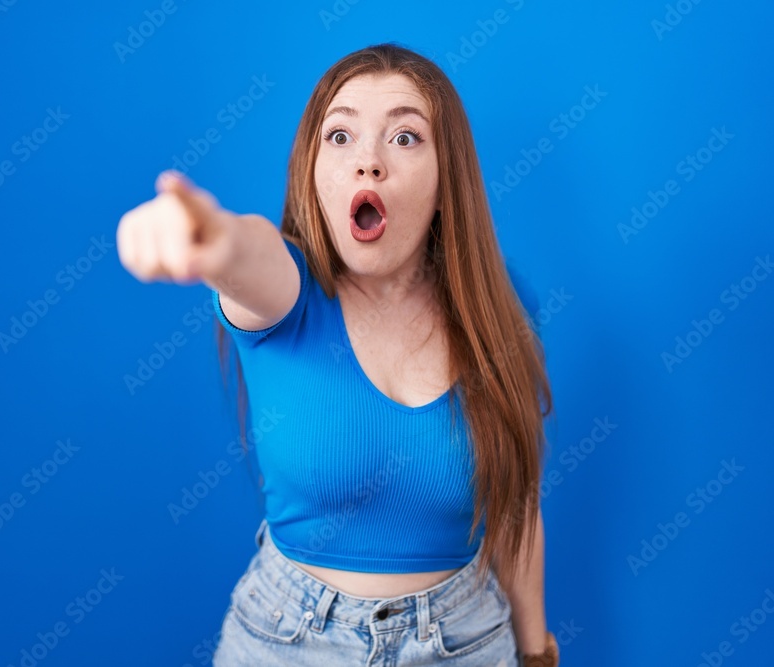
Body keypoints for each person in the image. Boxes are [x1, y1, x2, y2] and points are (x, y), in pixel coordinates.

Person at [116, 42, 558, 667]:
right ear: (313, 168)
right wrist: (208, 236)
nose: (368, 163)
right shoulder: (286, 291)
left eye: (404, 138)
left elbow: (518, 506)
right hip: (286, 643)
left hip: (466, 642)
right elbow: (247, 251)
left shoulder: (500, 306)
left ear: (445, 178)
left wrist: (537, 652)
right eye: (341, 135)